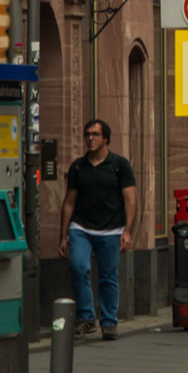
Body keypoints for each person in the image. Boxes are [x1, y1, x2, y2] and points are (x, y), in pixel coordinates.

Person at [60, 118, 137, 341]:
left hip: (111, 229)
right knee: (78, 266)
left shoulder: (119, 165)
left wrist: (128, 230)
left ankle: (109, 322)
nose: (90, 138)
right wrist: (63, 236)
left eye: (95, 134)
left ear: (106, 139)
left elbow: (130, 200)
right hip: (80, 227)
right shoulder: (77, 166)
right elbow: (68, 202)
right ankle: (86, 318)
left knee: (108, 275)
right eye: (87, 134)